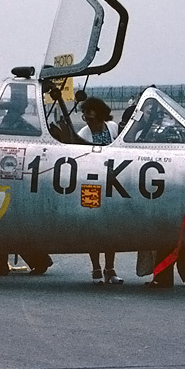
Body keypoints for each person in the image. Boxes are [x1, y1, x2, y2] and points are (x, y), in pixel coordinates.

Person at [77, 97, 122, 284]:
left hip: (111, 183)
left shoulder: (113, 128)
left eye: (91, 112)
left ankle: (110, 269)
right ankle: (96, 269)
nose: (87, 116)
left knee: (111, 228)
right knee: (92, 229)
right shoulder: (83, 133)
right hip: (91, 184)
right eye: (85, 113)